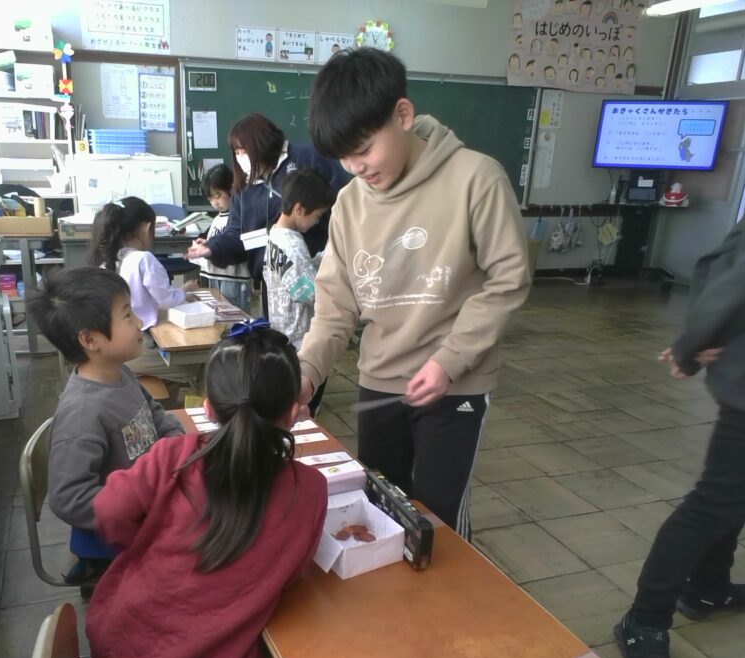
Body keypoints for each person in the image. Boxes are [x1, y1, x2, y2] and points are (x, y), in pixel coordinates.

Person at [299, 48, 531, 540]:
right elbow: (335, 307)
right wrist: (305, 373)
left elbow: (508, 279)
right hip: (380, 381)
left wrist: (450, 360)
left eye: (364, 149)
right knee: (382, 509)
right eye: (343, 157)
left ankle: (455, 592)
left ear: (402, 115)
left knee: (440, 523)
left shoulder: (476, 178)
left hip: (455, 384)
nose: (355, 167)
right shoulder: (348, 204)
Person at [614, 120, 745, 658]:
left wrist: (708, 328)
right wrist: (700, 336)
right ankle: (644, 621)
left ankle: (710, 584)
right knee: (719, 497)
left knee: (740, 488)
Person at [80, 325, 328, 658]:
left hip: (111, 655)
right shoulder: (308, 489)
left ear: (208, 407)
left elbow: (106, 511)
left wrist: (144, 548)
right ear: (294, 412)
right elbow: (291, 578)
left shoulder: (174, 455)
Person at [26, 268, 184, 583]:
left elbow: (154, 413)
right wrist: (139, 499)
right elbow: (68, 498)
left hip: (150, 504)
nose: (139, 321)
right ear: (90, 339)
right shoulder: (82, 413)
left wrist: (176, 449)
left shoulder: (119, 372)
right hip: (116, 544)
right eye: (127, 315)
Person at [184, 113, 348, 311]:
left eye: (244, 151)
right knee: (281, 325)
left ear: (261, 144)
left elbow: (343, 203)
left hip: (318, 271)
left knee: (315, 314)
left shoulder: (307, 159)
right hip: (271, 282)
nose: (241, 158)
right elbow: (236, 234)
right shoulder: (244, 186)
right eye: (236, 152)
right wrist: (212, 247)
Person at [89, 196, 200, 385]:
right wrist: (184, 291)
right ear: (147, 228)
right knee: (198, 364)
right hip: (135, 350)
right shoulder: (143, 259)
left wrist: (180, 293)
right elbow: (166, 300)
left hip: (111, 348)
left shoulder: (105, 261)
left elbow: (150, 299)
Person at [264, 168, 336, 415]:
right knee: (303, 405)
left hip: (282, 331)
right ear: (299, 209)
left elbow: (294, 275)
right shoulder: (293, 244)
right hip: (299, 338)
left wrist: (322, 258)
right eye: (318, 215)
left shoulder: (276, 235)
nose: (317, 221)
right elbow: (307, 292)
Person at [192, 164, 252, 312]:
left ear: (231, 189)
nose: (214, 203)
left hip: (234, 278)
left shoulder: (238, 217)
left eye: (217, 196)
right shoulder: (217, 219)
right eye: (210, 199)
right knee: (217, 314)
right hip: (214, 276)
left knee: (235, 315)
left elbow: (239, 247)